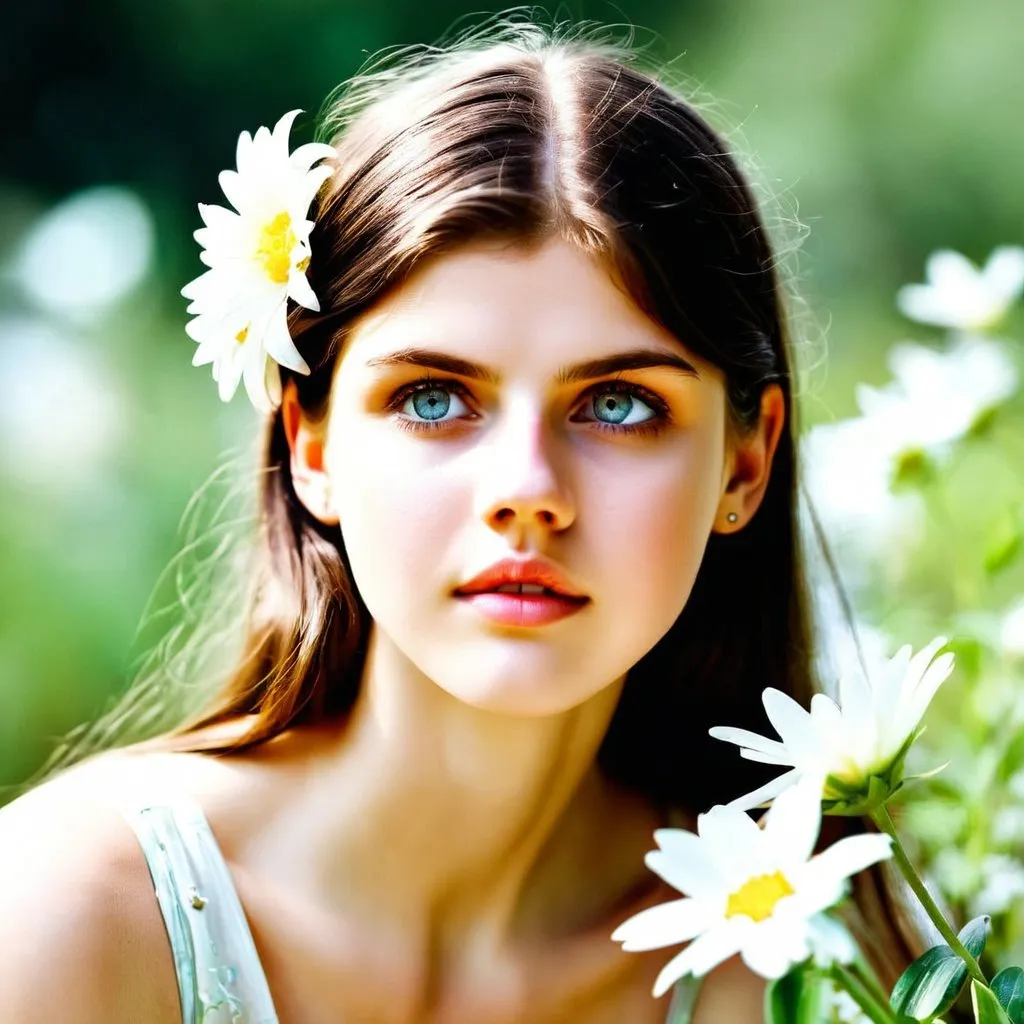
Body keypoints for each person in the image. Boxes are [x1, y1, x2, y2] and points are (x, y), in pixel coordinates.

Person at [0, 17, 918, 1023]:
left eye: (617, 404)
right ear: (310, 444)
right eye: (434, 398)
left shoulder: (804, 962)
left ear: (745, 462)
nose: (526, 489)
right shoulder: (66, 926)